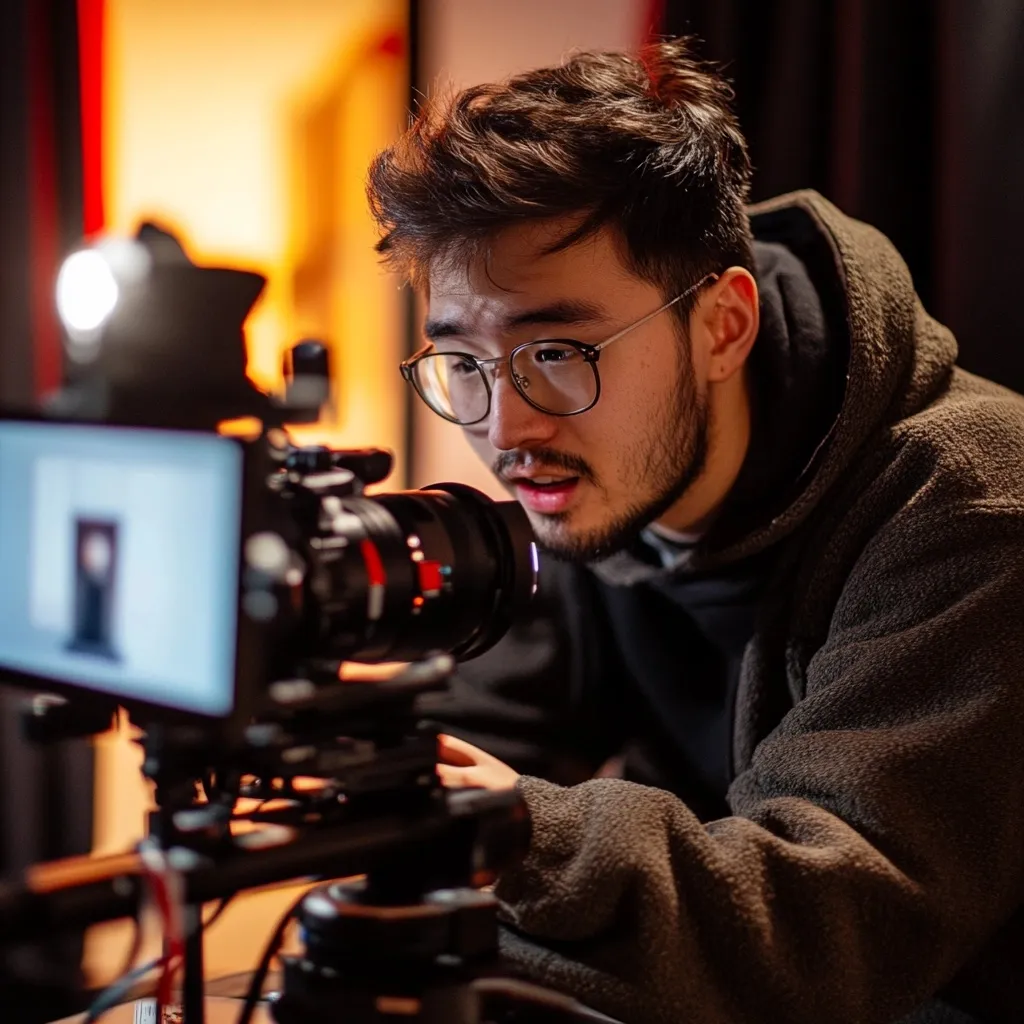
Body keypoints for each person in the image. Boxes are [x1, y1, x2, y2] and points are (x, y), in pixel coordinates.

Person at [365, 39, 1024, 1024]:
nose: (505, 428)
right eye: (464, 362)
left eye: (555, 350)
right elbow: (480, 731)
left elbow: (832, 921)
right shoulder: (591, 482)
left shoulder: (964, 499)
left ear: (721, 326)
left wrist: (511, 833)